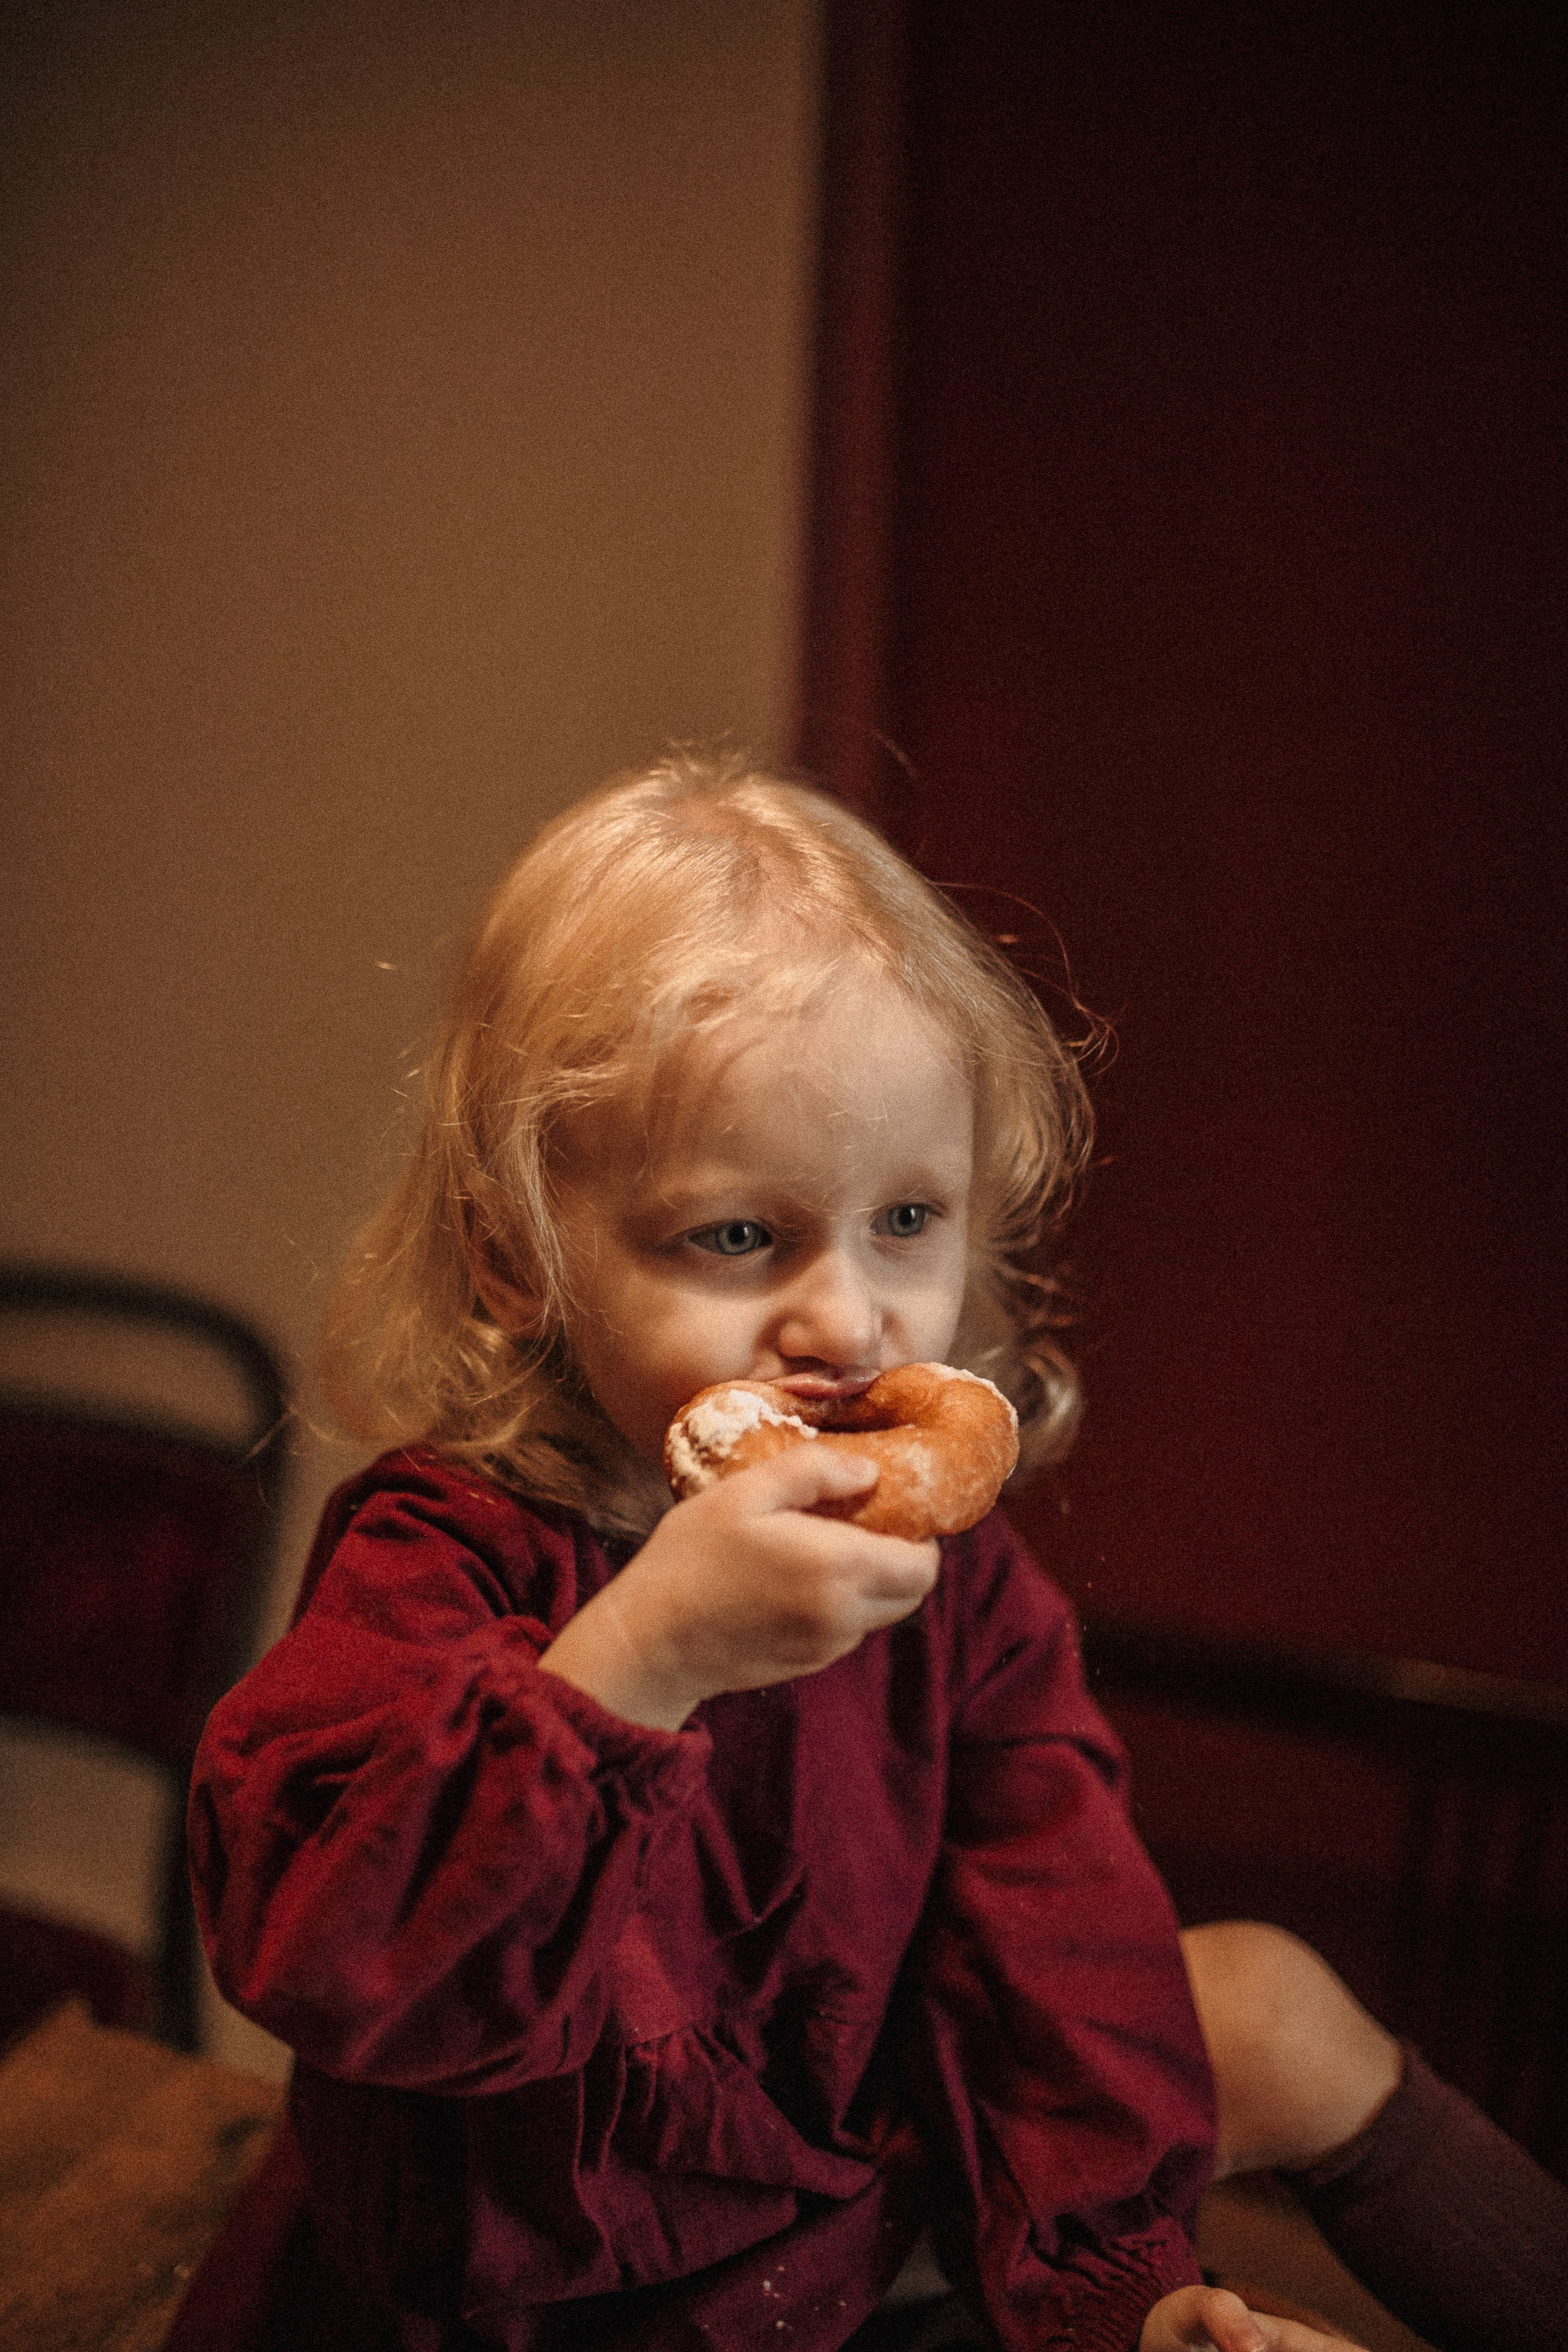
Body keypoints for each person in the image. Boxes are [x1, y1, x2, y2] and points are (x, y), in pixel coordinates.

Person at [189, 757, 1566, 2352]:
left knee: (1254, 1994)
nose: (848, 1320)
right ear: (518, 1257)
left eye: (907, 1221)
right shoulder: (447, 1555)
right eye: (737, 1236)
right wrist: (640, 1664)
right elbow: (331, 1958)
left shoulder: (955, 1590)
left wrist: (1123, 2292)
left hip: (822, 2248)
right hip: (500, 2292)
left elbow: (1053, 1952)